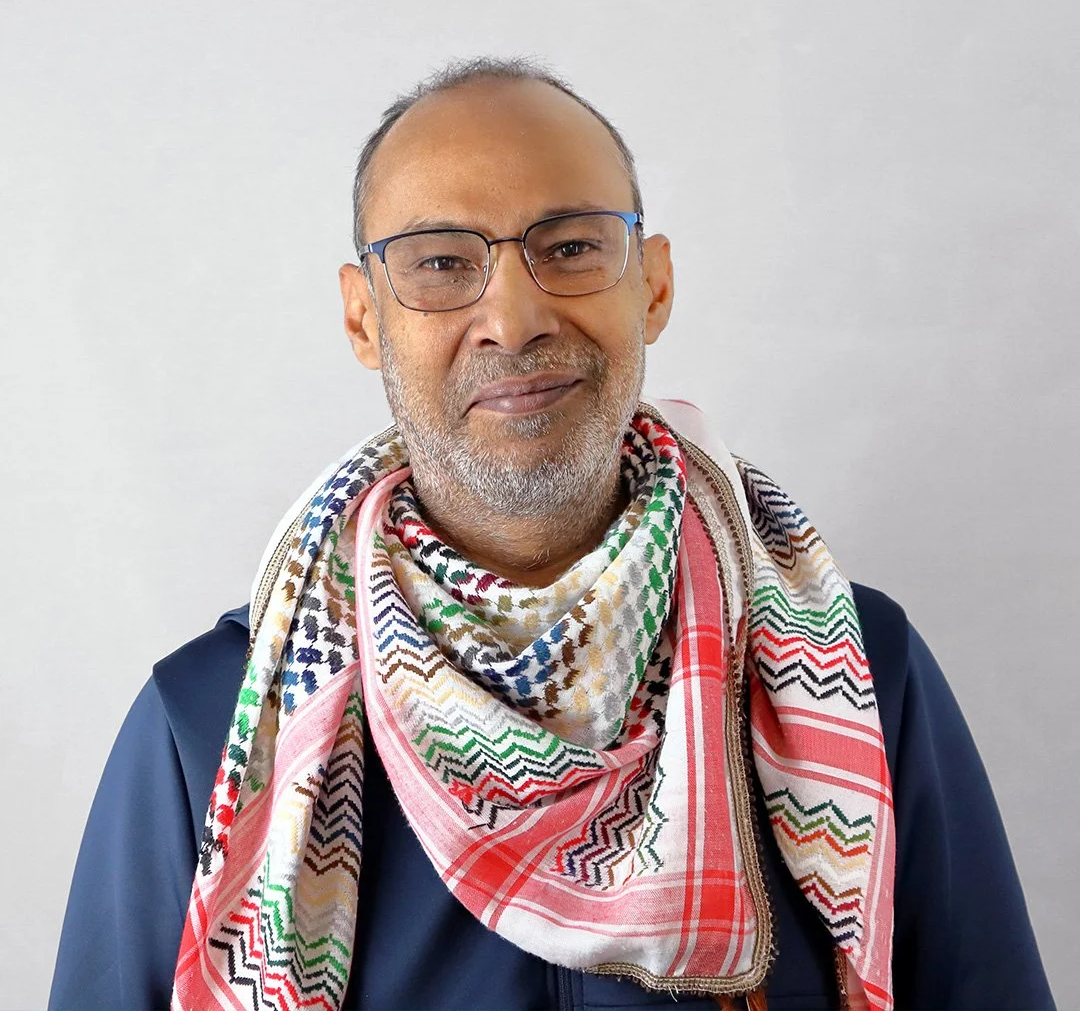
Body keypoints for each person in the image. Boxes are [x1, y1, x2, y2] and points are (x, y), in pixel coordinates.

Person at [50, 58, 1055, 1011]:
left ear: (651, 284)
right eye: (442, 263)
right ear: (363, 320)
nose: (515, 317)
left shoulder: (857, 674)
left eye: (570, 248)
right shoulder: (213, 722)